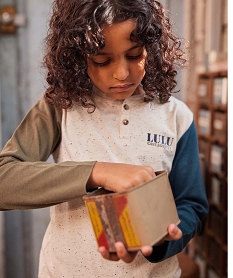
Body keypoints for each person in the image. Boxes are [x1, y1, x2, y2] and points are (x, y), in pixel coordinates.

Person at [0, 0, 208, 277]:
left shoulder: (176, 117)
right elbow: (5, 180)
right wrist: (97, 172)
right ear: (77, 57)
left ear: (153, 49)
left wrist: (164, 239)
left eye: (135, 56)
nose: (122, 73)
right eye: (102, 60)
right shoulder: (60, 106)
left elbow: (191, 204)